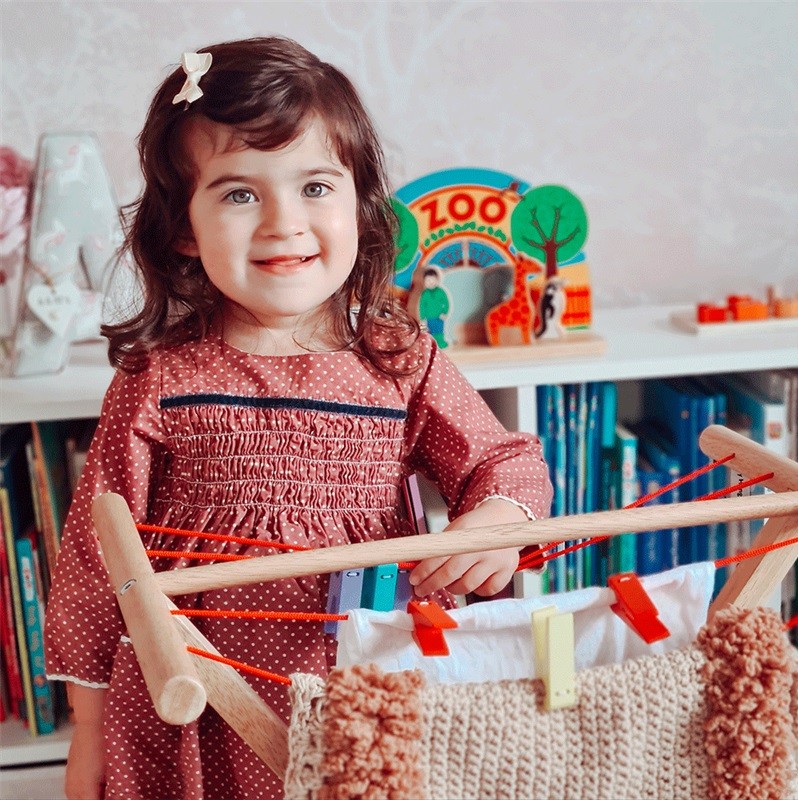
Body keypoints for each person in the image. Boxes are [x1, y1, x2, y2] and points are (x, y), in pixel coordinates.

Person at [44, 37, 552, 800]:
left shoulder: (398, 357)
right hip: (203, 698)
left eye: (315, 186)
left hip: (371, 683)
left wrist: (498, 520)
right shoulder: (159, 377)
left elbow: (501, 460)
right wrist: (87, 730)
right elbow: (95, 558)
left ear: (359, 206)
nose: (284, 222)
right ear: (183, 227)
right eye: (238, 194)